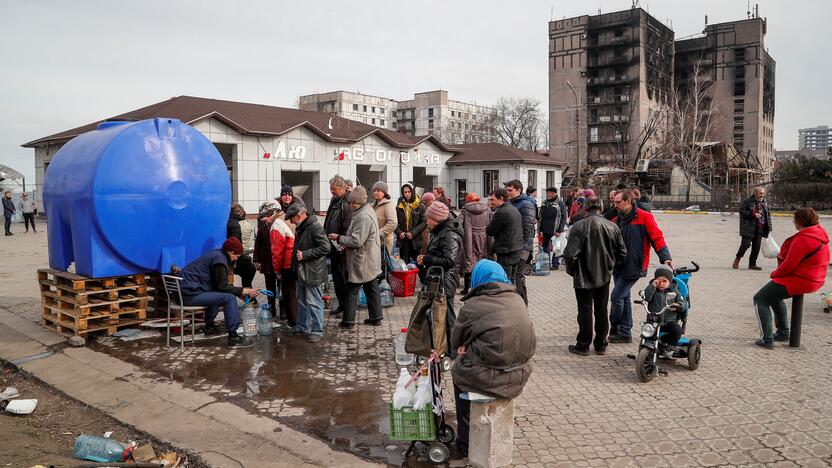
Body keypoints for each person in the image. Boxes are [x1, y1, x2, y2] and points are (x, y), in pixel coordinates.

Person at [450, 259, 536, 457]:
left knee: (458, 373)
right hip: (520, 375)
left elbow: (456, 342)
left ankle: (465, 443)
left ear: (478, 279)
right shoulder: (518, 299)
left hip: (491, 377)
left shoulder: (472, 306)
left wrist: (467, 348)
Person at [753, 208, 830, 349]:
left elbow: (789, 265)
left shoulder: (804, 239)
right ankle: (783, 332)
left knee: (760, 299)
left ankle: (767, 339)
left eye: (795, 220)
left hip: (802, 279)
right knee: (774, 296)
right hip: (814, 278)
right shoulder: (819, 233)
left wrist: (775, 273)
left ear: (799, 222)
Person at [562, 198, 627, 356]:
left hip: (583, 275)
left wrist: (572, 271)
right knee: (601, 310)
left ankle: (583, 345)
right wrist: (609, 266)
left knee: (585, 311)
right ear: (602, 207)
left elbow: (570, 255)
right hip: (603, 275)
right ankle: (600, 344)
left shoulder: (579, 225)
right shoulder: (612, 226)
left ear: (585, 208)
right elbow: (622, 253)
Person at [609, 189, 673, 343]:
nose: (615, 205)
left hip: (635, 265)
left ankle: (615, 327)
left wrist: (665, 257)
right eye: (614, 202)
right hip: (617, 265)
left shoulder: (645, 218)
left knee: (616, 297)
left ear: (629, 201)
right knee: (624, 297)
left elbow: (657, 238)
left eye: (618, 202)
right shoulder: (616, 219)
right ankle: (625, 332)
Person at [179, 237, 258, 347]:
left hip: (186, 292)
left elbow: (219, 286)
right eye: (236, 256)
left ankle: (209, 327)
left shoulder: (217, 255)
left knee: (220, 295)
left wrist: (242, 291)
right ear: (230, 252)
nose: (236, 259)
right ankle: (233, 336)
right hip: (189, 295)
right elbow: (222, 286)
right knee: (229, 297)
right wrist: (242, 291)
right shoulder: (220, 261)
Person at [330, 186, 383, 328]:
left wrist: (339, 238)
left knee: (351, 290)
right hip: (369, 257)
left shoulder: (363, 216)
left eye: (352, 202)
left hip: (363, 259)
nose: (350, 205)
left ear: (357, 202)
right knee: (371, 287)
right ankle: (376, 317)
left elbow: (357, 240)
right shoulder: (367, 210)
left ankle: (348, 321)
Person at [417, 201, 463, 356]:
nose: (426, 221)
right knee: (438, 314)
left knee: (448, 316)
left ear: (436, 219)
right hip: (438, 279)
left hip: (446, 280)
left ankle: (453, 351)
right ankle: (441, 346)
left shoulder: (449, 234)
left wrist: (427, 259)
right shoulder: (440, 231)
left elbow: (450, 261)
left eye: (428, 218)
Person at [285, 204, 331, 343]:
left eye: (292, 219)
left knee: (313, 301)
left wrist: (305, 255)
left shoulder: (314, 227)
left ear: (298, 216)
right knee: (302, 300)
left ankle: (317, 330)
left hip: (312, 272)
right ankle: (302, 326)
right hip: (303, 271)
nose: (291, 222)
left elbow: (325, 247)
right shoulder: (303, 226)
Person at [324, 175, 352, 316]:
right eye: (330, 189)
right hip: (333, 246)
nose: (331, 191)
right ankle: (342, 305)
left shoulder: (347, 203)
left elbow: (347, 226)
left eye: (333, 189)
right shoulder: (335, 200)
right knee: (336, 278)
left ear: (342, 188)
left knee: (343, 279)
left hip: (341, 247)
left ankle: (347, 308)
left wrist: (342, 242)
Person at [485, 188, 524, 291]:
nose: (489, 203)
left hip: (507, 252)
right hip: (516, 250)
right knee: (513, 280)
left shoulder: (501, 212)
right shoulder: (513, 209)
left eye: (492, 200)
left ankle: (508, 303)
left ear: (501, 199)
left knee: (504, 283)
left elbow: (489, 231)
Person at [505, 180, 536, 305]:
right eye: (506, 190)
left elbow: (528, 229)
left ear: (518, 190)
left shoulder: (526, 205)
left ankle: (523, 305)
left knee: (518, 276)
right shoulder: (511, 203)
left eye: (510, 190)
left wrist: (522, 247)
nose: (507, 193)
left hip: (523, 247)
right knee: (514, 276)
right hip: (513, 246)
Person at [643, 265, 686, 356]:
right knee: (646, 332)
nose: (661, 284)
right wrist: (652, 286)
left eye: (664, 281)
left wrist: (678, 306)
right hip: (654, 320)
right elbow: (646, 298)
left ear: (669, 282)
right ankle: (644, 349)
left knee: (677, 330)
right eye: (659, 281)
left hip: (668, 321)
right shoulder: (653, 289)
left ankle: (668, 345)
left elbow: (682, 303)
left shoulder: (674, 290)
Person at [270, 205, 296, 327]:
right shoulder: (284, 220)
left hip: (287, 263)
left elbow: (277, 252)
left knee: (288, 294)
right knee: (294, 293)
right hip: (294, 261)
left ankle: (293, 322)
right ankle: (297, 321)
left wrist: (277, 270)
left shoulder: (276, 225)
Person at [459, 192, 491, 295]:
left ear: (468, 200)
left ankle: (467, 288)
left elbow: (457, 223)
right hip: (484, 238)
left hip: (469, 240)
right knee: (482, 261)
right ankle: (481, 286)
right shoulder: (487, 209)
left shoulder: (465, 211)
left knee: (469, 262)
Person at [734, 186, 772, 271]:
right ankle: (737, 259)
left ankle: (752, 264)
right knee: (745, 244)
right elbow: (742, 211)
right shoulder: (747, 202)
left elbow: (768, 216)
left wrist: (768, 228)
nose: (762, 195)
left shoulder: (764, 203)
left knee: (756, 247)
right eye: (760, 193)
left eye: (763, 193)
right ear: (755, 193)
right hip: (748, 228)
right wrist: (753, 214)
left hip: (760, 228)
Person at [253, 201, 280, 314]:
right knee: (269, 286)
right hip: (267, 261)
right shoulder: (262, 225)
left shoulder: (279, 223)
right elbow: (258, 242)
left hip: (278, 260)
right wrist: (256, 259)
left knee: (281, 285)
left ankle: (283, 310)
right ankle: (271, 308)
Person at [395, 184, 426, 264]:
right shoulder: (399, 206)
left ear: (413, 192)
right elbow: (394, 222)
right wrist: (399, 232)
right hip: (403, 240)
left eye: (409, 192)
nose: (407, 194)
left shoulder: (420, 206)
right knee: (403, 264)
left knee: (418, 263)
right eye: (405, 192)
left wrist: (413, 233)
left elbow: (423, 223)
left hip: (415, 240)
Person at [226, 203, 256, 288]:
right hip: (230, 257)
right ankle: (246, 292)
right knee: (250, 268)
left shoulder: (227, 221)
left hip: (226, 255)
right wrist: (234, 262)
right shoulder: (234, 224)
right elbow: (235, 244)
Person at [539, 187, 567, 270]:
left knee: (556, 247)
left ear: (554, 193)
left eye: (549, 193)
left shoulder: (560, 203)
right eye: (547, 193)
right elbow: (541, 216)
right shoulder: (544, 203)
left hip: (556, 230)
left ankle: (555, 264)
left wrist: (559, 230)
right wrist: (540, 228)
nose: (548, 194)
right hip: (545, 229)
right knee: (545, 247)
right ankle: (546, 264)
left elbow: (564, 217)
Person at [372, 181, 398, 260]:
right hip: (374, 240)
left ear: (384, 192)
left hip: (384, 242)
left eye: (378, 190)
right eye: (374, 191)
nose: (376, 192)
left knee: (383, 266)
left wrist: (379, 233)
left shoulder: (388, 205)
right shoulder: (373, 204)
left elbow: (393, 223)